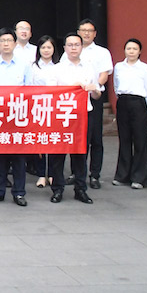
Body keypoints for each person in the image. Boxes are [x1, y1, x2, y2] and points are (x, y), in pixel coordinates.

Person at [46, 32, 101, 205]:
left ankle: (80, 189)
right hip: (62, 115)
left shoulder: (89, 67)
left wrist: (94, 89)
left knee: (81, 152)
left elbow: (97, 95)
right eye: (70, 45)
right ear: (64, 48)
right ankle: (57, 189)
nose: (73, 48)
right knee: (58, 154)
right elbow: (50, 93)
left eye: (77, 45)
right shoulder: (56, 69)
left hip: (83, 115)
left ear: (81, 47)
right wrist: (72, 88)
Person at [0, 27, 30, 207]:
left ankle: (19, 192)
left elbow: (30, 90)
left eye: (9, 41)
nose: (6, 44)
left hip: (18, 115)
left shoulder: (25, 64)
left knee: (19, 157)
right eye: (3, 41)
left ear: (15, 44)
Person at [112, 38, 147, 189]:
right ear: (124, 50)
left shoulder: (145, 68)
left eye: (134, 49)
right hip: (123, 101)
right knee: (124, 139)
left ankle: (139, 177)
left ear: (139, 51)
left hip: (138, 103)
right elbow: (116, 86)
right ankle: (122, 175)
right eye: (129, 48)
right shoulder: (119, 67)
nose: (131, 52)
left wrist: (142, 106)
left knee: (140, 140)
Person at [76, 18, 114, 189]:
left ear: (95, 34)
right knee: (78, 137)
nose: (86, 33)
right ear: (78, 32)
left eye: (89, 31)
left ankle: (94, 175)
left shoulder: (102, 52)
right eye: (83, 30)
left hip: (94, 96)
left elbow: (104, 75)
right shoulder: (72, 50)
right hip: (76, 99)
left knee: (95, 137)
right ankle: (77, 173)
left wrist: (94, 88)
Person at [26, 35, 58, 188]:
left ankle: (52, 174)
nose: (46, 50)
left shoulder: (59, 66)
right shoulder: (32, 67)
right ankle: (40, 174)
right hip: (37, 107)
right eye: (43, 47)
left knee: (53, 141)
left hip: (55, 108)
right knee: (39, 142)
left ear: (54, 49)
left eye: (49, 47)